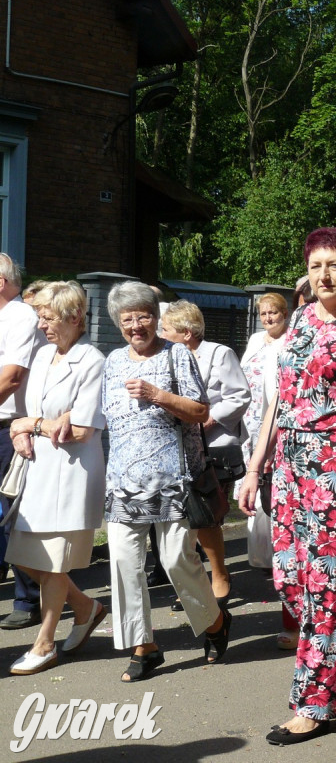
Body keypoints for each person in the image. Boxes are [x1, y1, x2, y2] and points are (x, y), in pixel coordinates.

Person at [237, 227, 336, 745]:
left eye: (335, 265)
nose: (324, 275)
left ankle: (314, 703)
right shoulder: (301, 318)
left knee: (328, 588)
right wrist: (256, 463)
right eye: (315, 265)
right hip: (290, 466)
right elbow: (281, 399)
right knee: (294, 582)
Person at [102, 281, 230, 682]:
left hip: (173, 478)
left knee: (177, 560)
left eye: (144, 316)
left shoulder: (176, 356)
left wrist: (158, 394)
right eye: (128, 320)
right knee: (124, 563)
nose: (136, 326)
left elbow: (198, 410)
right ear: (118, 324)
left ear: (156, 319)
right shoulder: (113, 361)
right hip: (123, 481)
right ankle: (144, 646)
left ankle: (213, 623)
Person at [5, 282, 107, 674]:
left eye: (47, 318)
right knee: (27, 557)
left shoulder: (93, 360)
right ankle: (85, 607)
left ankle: (44, 642)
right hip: (38, 467)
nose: (42, 325)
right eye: (39, 317)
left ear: (74, 317)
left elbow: (80, 430)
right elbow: (28, 417)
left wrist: (32, 424)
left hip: (71, 473)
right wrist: (28, 426)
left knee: (53, 561)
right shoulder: (45, 354)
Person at [160, 300, 250, 611]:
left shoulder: (218, 353)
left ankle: (220, 575)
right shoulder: (164, 356)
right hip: (175, 447)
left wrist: (210, 418)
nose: (160, 333)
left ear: (186, 333)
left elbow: (240, 394)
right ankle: (193, 584)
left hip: (212, 446)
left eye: (166, 329)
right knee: (182, 520)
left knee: (207, 515)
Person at [237, 292, 294, 648]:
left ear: (285, 314)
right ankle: (262, 555)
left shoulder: (292, 342)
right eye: (263, 313)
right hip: (253, 421)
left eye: (274, 312)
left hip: (278, 424)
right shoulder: (256, 340)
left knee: (274, 494)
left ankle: (279, 556)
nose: (268, 318)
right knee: (254, 490)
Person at [0, 253, 44, 630]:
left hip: (9, 426)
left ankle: (28, 598)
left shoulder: (21, 317)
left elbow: (12, 377)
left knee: (15, 513)